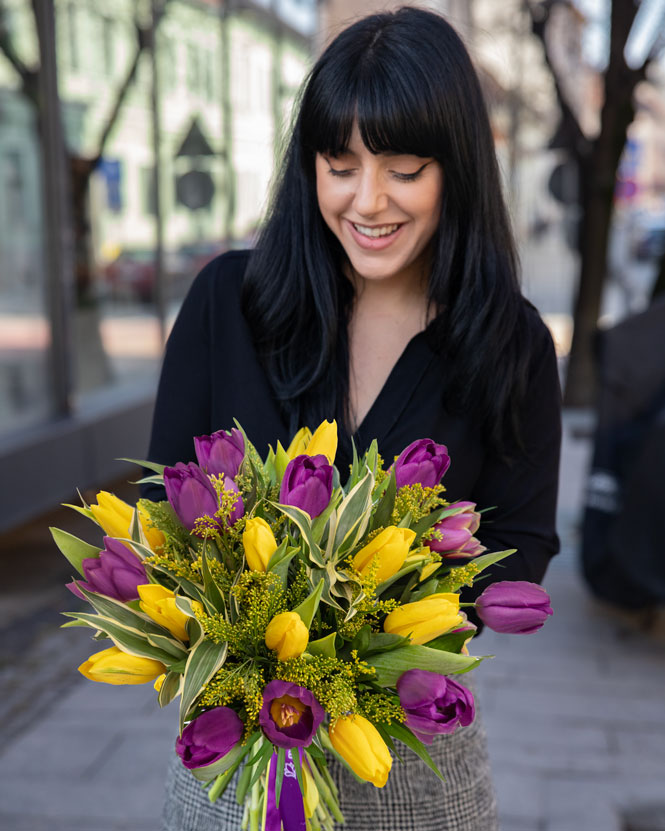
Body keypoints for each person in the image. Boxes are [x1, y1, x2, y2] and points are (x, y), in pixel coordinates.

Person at [141, 8, 561, 830]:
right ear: (310, 168)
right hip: (231, 761)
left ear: (457, 170)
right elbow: (162, 506)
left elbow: (527, 543)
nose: (367, 202)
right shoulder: (228, 301)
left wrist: (375, 622)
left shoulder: (508, 341)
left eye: (404, 169)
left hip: (410, 759)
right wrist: (248, 623)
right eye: (340, 164)